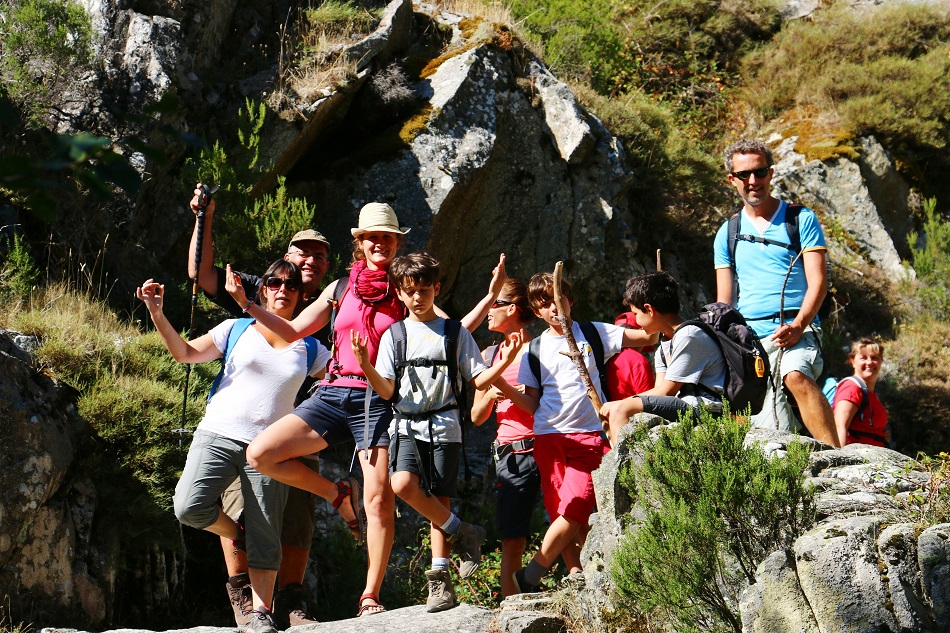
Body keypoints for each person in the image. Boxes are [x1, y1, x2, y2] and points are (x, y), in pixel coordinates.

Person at [224, 202, 507, 616]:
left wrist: (490, 297)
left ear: (397, 243)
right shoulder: (340, 288)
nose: (380, 243)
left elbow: (452, 332)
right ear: (359, 242)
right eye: (372, 236)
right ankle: (336, 493)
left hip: (380, 400)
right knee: (261, 453)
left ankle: (370, 594)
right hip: (333, 392)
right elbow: (292, 332)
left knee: (378, 501)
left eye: (388, 237)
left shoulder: (406, 288)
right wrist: (246, 304)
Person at [137, 260, 330, 633]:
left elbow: (343, 378)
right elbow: (186, 354)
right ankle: (236, 532)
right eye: (274, 282)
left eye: (291, 285)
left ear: (302, 296)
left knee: (268, 529)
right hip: (218, 434)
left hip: (271, 448)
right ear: (263, 289)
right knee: (188, 505)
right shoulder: (236, 328)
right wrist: (156, 312)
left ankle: (261, 613)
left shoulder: (310, 347)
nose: (283, 289)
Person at [185, 183, 334, 629]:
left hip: (301, 427)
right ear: (285, 256)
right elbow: (202, 273)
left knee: (297, 519)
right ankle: (246, 600)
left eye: (318, 257)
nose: (307, 262)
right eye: (301, 253)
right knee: (235, 507)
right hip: (243, 425)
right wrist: (204, 217)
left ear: (327, 267)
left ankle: (292, 600)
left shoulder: (332, 305)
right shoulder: (266, 287)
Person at [351, 252, 521, 612]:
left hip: (445, 426)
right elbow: (386, 390)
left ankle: (440, 582)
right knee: (401, 485)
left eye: (424, 290)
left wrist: (502, 364)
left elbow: (477, 378)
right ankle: (464, 531)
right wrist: (365, 364)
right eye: (410, 291)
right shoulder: (395, 335)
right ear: (399, 292)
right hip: (406, 425)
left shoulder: (455, 333)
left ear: (436, 289)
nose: (417, 297)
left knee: (439, 504)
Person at [508, 272, 655, 594]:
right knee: (560, 510)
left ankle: (531, 574)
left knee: (577, 505)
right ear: (536, 311)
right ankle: (581, 573)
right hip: (548, 437)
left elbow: (647, 338)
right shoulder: (533, 350)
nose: (552, 309)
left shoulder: (593, 333)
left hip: (589, 435)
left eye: (557, 300)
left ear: (570, 300)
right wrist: (503, 386)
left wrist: (657, 309)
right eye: (544, 305)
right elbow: (533, 403)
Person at [713, 139, 839, 447]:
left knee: (794, 373)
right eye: (744, 175)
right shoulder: (726, 233)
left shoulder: (800, 219)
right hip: (753, 340)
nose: (752, 181)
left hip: (801, 328)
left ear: (770, 173)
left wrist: (799, 325)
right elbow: (724, 304)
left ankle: (839, 457)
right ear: (732, 179)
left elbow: (818, 283)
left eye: (759, 172)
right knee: (772, 425)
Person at [470, 278, 541, 598]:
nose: (487, 311)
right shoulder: (489, 354)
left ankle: (573, 593)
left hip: (549, 445)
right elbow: (476, 416)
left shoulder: (541, 349)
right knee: (512, 538)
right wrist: (494, 392)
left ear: (511, 309)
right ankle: (510, 608)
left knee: (573, 525)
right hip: (512, 454)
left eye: (492, 304)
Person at [600, 272, 727, 446]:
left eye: (636, 314)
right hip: (685, 406)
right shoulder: (665, 345)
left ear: (650, 310)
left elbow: (667, 391)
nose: (636, 322)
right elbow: (659, 391)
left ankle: (625, 470)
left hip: (707, 410)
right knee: (622, 409)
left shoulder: (689, 336)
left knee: (621, 410)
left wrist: (621, 404)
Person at [833, 338, 889, 447]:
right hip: (855, 457)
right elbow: (840, 426)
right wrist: (840, 460)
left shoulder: (871, 392)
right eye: (863, 358)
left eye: (874, 358)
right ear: (852, 361)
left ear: (881, 361)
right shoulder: (851, 387)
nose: (869, 362)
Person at [606, 311, 655, 400]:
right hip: (633, 413)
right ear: (641, 332)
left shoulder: (607, 356)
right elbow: (649, 402)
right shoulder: (637, 361)